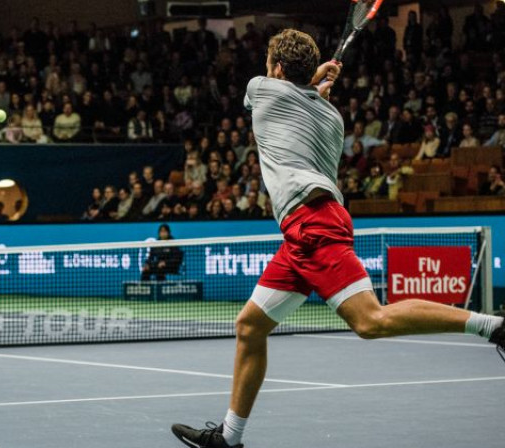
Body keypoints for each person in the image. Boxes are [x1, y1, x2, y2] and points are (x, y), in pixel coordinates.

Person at [171, 28, 505, 448]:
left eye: (270, 66)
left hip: (313, 225)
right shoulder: (332, 118)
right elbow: (300, 101)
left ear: (274, 69)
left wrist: (311, 83)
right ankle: (229, 438)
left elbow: (285, 94)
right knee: (250, 326)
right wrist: (312, 86)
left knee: (370, 321)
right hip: (306, 230)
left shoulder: (261, 89)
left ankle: (494, 326)